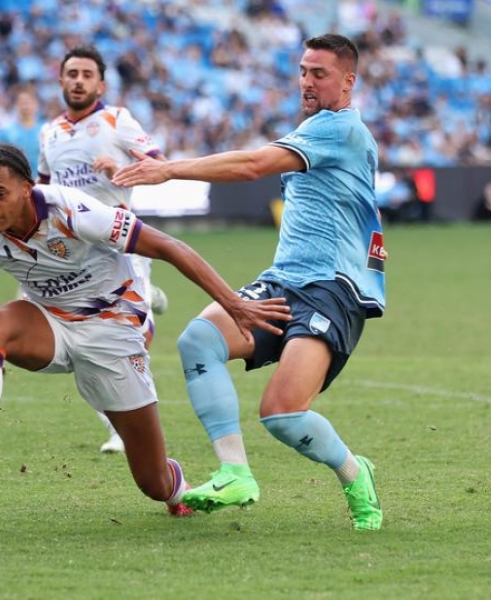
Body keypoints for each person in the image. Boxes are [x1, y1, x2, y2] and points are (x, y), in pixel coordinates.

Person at [0, 143, 291, 515]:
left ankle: (175, 488)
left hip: (113, 331)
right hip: (50, 324)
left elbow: (169, 247)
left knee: (152, 482)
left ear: (26, 188)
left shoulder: (73, 211)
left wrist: (233, 304)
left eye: (0, 194)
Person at [113, 33, 386, 531]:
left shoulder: (339, 129)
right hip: (284, 283)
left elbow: (255, 165)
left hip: (333, 290)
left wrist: (169, 169)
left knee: (281, 414)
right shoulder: (316, 128)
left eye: (319, 73)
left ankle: (354, 471)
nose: (306, 81)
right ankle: (234, 471)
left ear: (348, 82)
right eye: (303, 70)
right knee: (199, 340)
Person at [38, 45, 169, 454]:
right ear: (61, 80)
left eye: (86, 74)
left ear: (100, 83)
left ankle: (149, 299)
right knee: (89, 343)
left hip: (122, 243)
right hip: (72, 255)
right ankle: (117, 429)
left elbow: (161, 166)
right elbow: (41, 194)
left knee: (133, 338)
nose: (78, 80)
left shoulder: (118, 121)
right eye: (71, 73)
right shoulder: (49, 133)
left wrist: (120, 170)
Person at [0, 86, 41, 178]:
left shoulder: (46, 130)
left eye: (28, 102)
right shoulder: (6, 132)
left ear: (36, 104)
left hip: (42, 184)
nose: (25, 106)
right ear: (16, 105)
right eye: (21, 102)